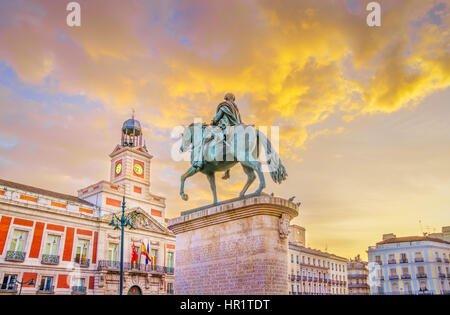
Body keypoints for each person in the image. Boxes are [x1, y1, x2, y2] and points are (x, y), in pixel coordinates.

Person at [192, 93, 243, 179]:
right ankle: (227, 171)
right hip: (234, 128)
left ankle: (199, 162)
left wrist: (213, 122)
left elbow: (217, 117)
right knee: (229, 148)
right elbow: (239, 121)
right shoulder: (236, 109)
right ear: (233, 99)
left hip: (223, 127)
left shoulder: (224, 106)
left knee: (205, 139)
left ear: (226, 98)